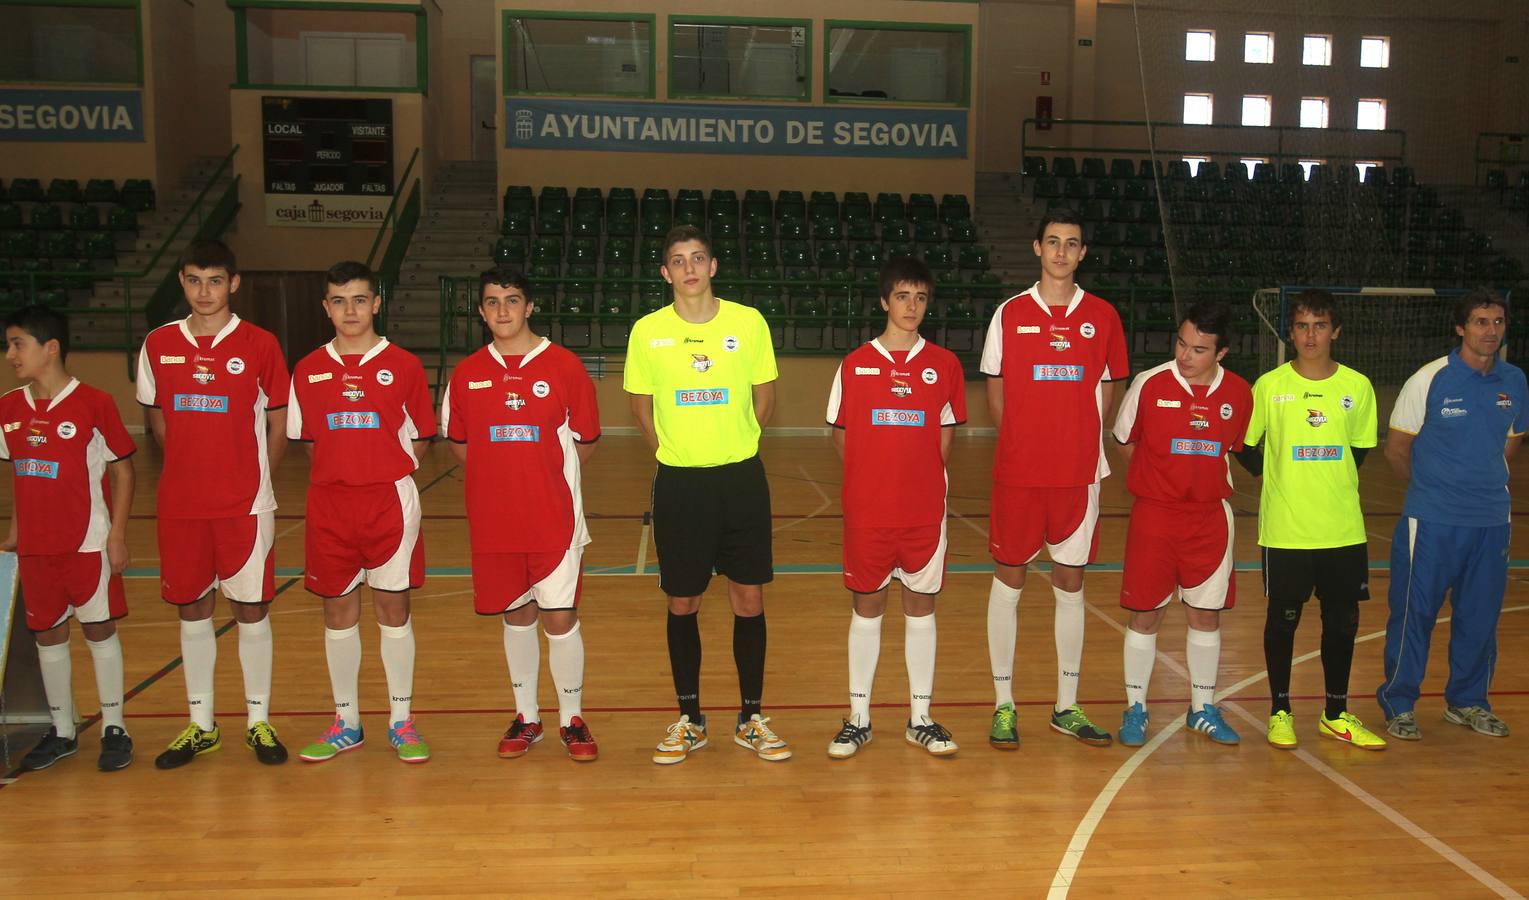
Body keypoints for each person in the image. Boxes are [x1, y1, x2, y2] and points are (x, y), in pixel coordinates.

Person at [624, 224, 790, 765]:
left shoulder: (749, 322)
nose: (689, 268)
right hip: (681, 484)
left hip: (741, 480)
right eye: (678, 260)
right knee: (683, 600)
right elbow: (641, 407)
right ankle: (690, 719)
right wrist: (674, 452)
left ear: (713, 266)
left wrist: (736, 444)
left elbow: (764, 398)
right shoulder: (648, 332)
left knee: (749, 598)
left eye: (698, 258)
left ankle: (751, 718)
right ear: (665, 272)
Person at [136, 239, 290, 768]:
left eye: (216, 281)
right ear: (182, 281)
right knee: (193, 607)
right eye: (195, 281)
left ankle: (258, 721)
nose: (205, 292)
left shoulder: (260, 344)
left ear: (234, 283)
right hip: (181, 505)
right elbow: (157, 416)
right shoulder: (158, 343)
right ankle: (201, 725)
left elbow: (278, 422)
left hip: (244, 505)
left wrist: (256, 476)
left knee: (251, 608)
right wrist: (187, 466)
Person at [979, 208, 1128, 749]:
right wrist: (1025, 442)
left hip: (1078, 475)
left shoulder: (1103, 316)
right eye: (1053, 242)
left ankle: (1066, 705)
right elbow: (996, 389)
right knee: (1009, 580)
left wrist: (1077, 438)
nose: (1061, 251)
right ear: (1037, 248)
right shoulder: (1010, 313)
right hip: (1020, 474)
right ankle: (1004, 705)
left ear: (1082, 253)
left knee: (1070, 583)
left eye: (1071, 243)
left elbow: (1109, 389)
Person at [441, 266, 600, 762]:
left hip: (553, 518)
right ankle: (527, 716)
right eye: (492, 301)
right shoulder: (467, 373)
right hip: (495, 521)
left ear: (530, 307)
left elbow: (586, 442)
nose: (502, 310)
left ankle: (572, 719)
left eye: (512, 300)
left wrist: (542, 477)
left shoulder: (565, 366)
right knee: (517, 615)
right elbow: (461, 445)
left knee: (560, 616)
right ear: (481, 311)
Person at [287, 261, 435, 764]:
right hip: (329, 505)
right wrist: (344, 469)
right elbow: (309, 440)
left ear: (376, 303)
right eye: (338, 300)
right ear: (325, 307)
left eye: (358, 299)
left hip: (389, 502)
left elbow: (421, 438)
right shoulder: (307, 368)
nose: (349, 310)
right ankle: (346, 722)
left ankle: (401, 721)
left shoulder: (404, 365)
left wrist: (378, 468)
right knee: (337, 612)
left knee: (393, 609)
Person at [824, 257, 966, 759]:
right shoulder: (854, 364)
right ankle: (858, 718)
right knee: (868, 608)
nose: (911, 306)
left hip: (923, 512)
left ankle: (920, 718)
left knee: (920, 608)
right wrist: (874, 477)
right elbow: (840, 435)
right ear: (885, 301)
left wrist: (916, 477)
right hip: (869, 512)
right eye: (903, 296)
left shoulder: (945, 365)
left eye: (920, 298)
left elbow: (945, 436)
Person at [1377, 289, 1527, 741]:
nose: (1491, 331)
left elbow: (1510, 443)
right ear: (1460, 328)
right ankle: (1400, 703)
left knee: (1479, 617)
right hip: (1432, 521)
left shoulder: (1515, 380)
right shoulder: (1429, 379)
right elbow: (1397, 450)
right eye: (1481, 321)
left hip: (1491, 522)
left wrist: (1480, 486)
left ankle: (1468, 701)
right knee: (1414, 615)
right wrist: (1435, 490)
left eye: (1498, 322)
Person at [1240, 290, 1386, 750]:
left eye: (1320, 326)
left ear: (1335, 331)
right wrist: (1281, 476)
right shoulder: (1269, 386)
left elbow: (1358, 452)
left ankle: (1335, 714)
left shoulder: (1357, 387)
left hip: (1342, 530)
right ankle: (1280, 711)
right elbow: (1245, 446)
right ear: (1291, 332)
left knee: (1342, 624)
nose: (1310, 335)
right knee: (1282, 622)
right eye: (1302, 326)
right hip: (1286, 530)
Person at [0, 305, 136, 771]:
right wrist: (15, 533)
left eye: (18, 344)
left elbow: (123, 470)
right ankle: (61, 731)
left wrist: (117, 535)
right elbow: (20, 474)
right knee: (48, 635)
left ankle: (115, 727)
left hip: (88, 543)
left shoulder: (94, 403)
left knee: (99, 629)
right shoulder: (8, 408)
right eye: (9, 345)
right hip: (36, 549)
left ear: (51, 347)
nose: (10, 354)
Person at [1110, 303, 1251, 747]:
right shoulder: (1149, 384)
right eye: (1181, 344)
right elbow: (1124, 441)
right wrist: (1158, 481)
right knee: (1144, 613)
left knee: (1205, 615)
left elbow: (1234, 449)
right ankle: (1136, 707)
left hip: (1209, 520)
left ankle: (1202, 708)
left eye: (1199, 350)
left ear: (1221, 353)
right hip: (1155, 518)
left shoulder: (1239, 394)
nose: (1185, 356)